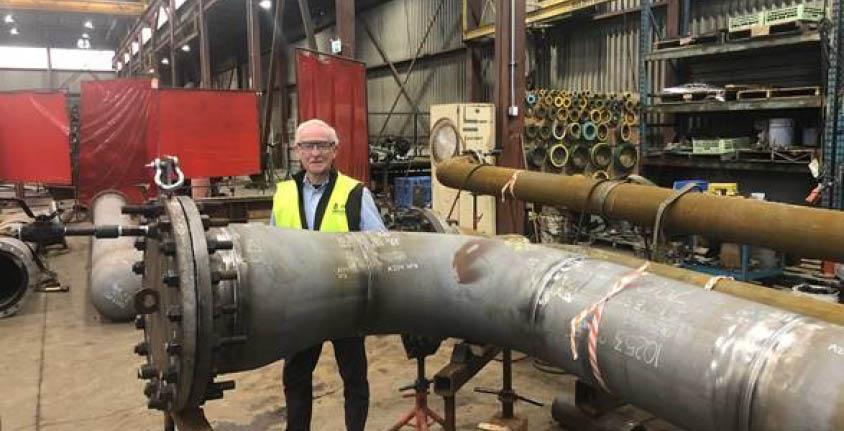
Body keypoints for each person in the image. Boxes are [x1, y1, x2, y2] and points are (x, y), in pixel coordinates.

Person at [271, 119, 385, 431]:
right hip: (300, 303)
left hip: (345, 303)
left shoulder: (355, 193)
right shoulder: (282, 194)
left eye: (323, 145)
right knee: (295, 378)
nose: (315, 152)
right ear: (297, 151)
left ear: (335, 150)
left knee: (354, 377)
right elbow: (272, 247)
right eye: (308, 145)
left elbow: (380, 245)